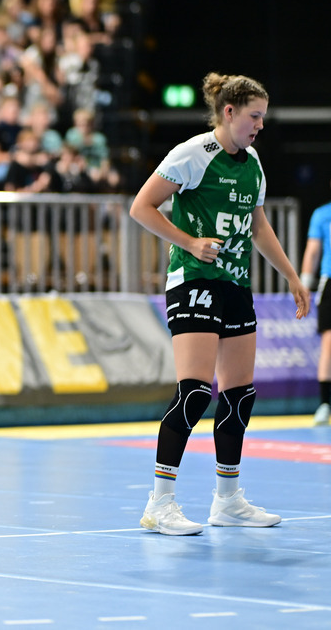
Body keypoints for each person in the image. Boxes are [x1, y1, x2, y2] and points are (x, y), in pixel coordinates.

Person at [128, 72, 309, 536]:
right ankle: (159, 503)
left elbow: (258, 226)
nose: (260, 125)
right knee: (194, 392)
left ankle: (227, 500)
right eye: (254, 116)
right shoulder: (193, 155)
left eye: (263, 117)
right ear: (228, 113)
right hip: (193, 281)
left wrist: (291, 276)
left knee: (239, 396)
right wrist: (189, 242)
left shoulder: (252, 163)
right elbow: (141, 208)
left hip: (234, 284)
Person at [299, 192, 331, 425]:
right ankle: (325, 403)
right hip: (330, 281)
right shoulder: (322, 214)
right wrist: (304, 287)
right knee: (329, 341)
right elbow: (312, 252)